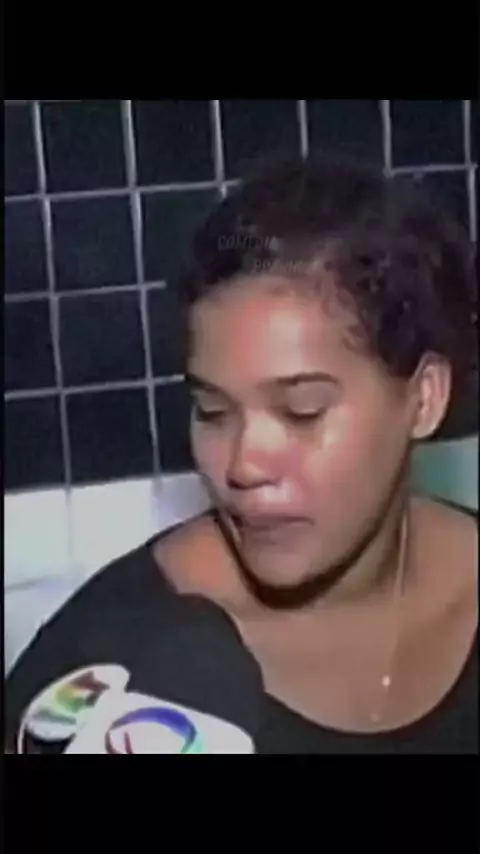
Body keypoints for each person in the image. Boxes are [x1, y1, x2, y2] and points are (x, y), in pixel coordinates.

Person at [5, 155, 478, 754]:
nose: (243, 466)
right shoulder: (111, 655)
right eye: (212, 411)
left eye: (302, 410)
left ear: (424, 399)